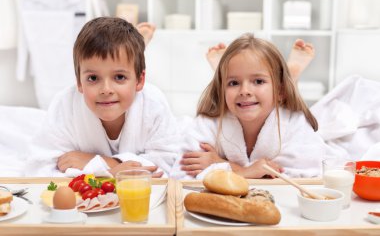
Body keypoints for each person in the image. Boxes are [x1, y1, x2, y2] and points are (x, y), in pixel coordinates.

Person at [25, 17, 179, 177]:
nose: (106, 90)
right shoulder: (65, 105)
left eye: (119, 77)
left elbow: (167, 164)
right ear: (79, 82)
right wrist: (110, 173)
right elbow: (39, 166)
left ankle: (139, 44)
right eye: (93, 78)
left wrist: (103, 163)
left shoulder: (153, 104)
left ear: (140, 80)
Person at [171, 33, 325, 179]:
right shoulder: (208, 123)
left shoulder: (294, 122)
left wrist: (223, 166)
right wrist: (249, 172)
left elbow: (305, 176)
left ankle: (290, 77)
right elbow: (181, 175)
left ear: (280, 91)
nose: (244, 91)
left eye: (258, 81)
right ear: (222, 91)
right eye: (233, 83)